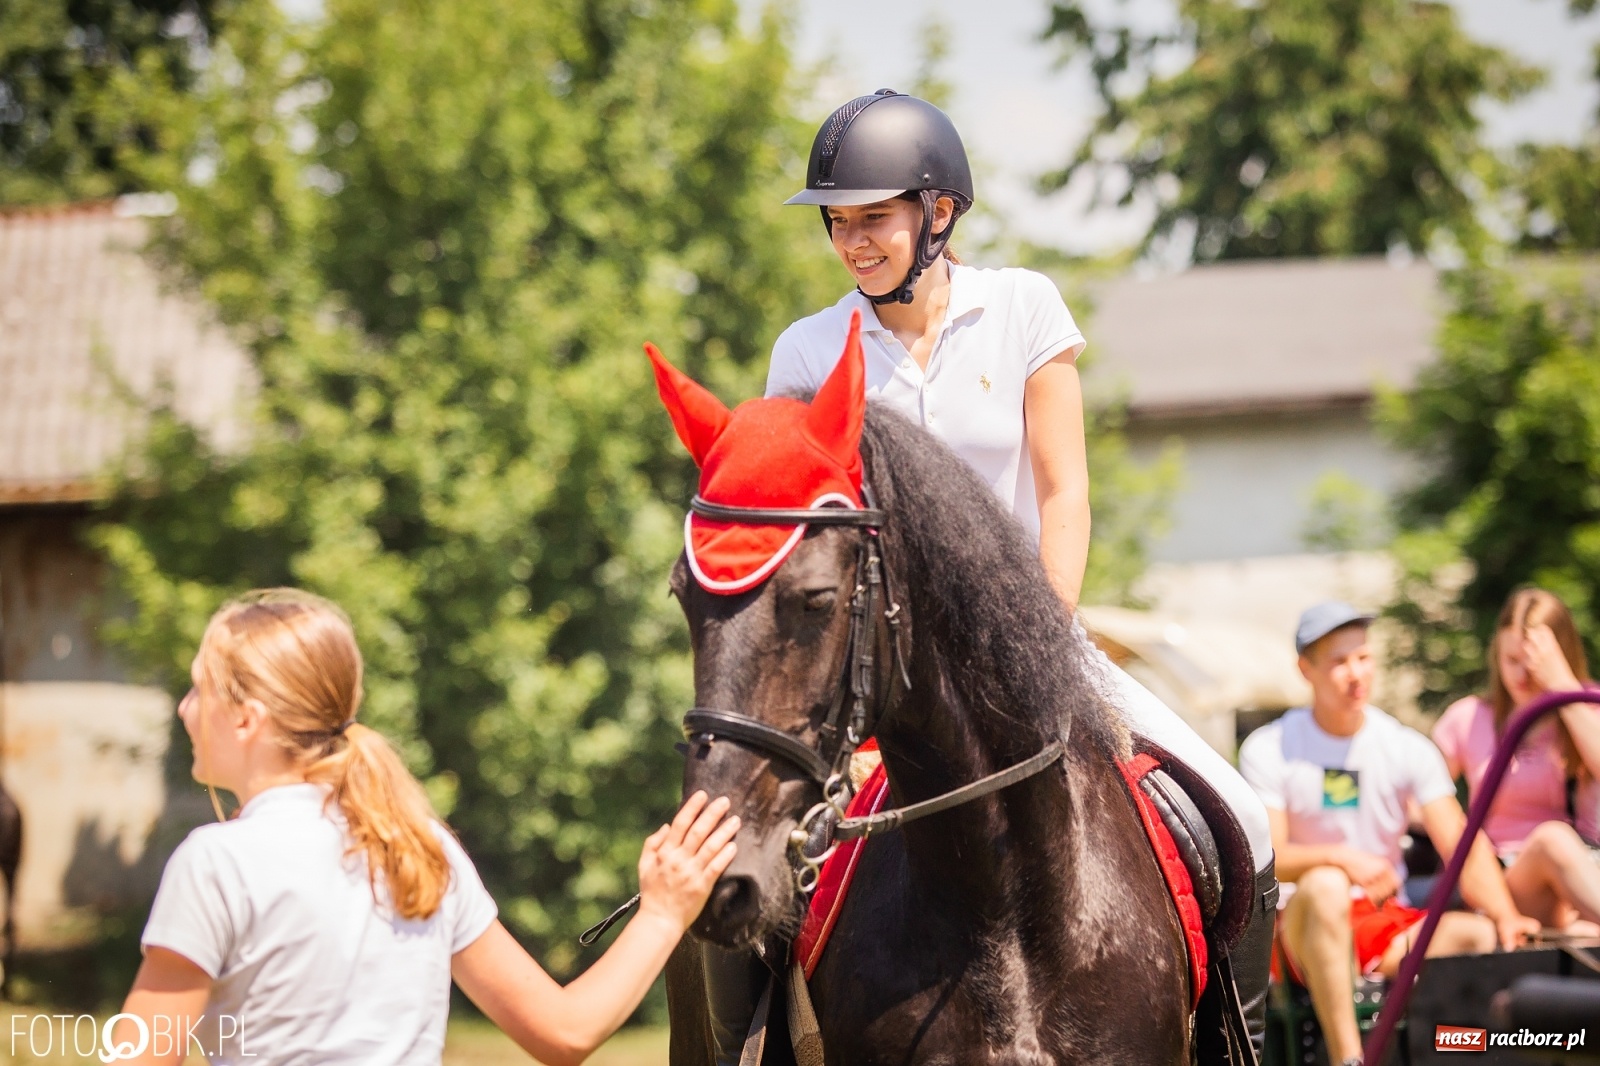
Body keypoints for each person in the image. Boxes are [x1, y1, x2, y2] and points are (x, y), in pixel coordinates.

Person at [703, 87, 1278, 1063]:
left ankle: (1237, 1041)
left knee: (1243, 814)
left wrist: (1039, 640)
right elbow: (800, 532)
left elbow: (1063, 492)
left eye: (872, 217)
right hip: (871, 674)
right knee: (744, 849)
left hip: (1036, 647)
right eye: (837, 223)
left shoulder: (1022, 306)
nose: (852, 242)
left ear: (938, 210)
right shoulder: (805, 351)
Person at [112, 588, 738, 1066]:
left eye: (198, 690)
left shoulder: (216, 862)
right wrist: (661, 912)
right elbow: (566, 1034)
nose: (184, 708)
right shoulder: (419, 847)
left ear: (246, 719)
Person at [1239, 602, 1539, 1066]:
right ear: (1306, 669)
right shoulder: (1269, 748)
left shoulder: (1404, 747)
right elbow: (1269, 854)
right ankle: (1350, 1060)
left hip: (1385, 926)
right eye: (1339, 661)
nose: (1355, 673)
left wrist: (1505, 916)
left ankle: (1456, 1053)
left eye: (1363, 658)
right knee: (1326, 884)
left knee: (1477, 938)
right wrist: (1341, 858)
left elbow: (1458, 843)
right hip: (1303, 926)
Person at [1432, 588, 1600, 933]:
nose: (1520, 676)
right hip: (1507, 882)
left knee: (1581, 935)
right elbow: (1423, 800)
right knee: (1552, 838)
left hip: (1582, 883)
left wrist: (1563, 687)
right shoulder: (1469, 717)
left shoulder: (1587, 707)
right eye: (1511, 661)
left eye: (1532, 662)